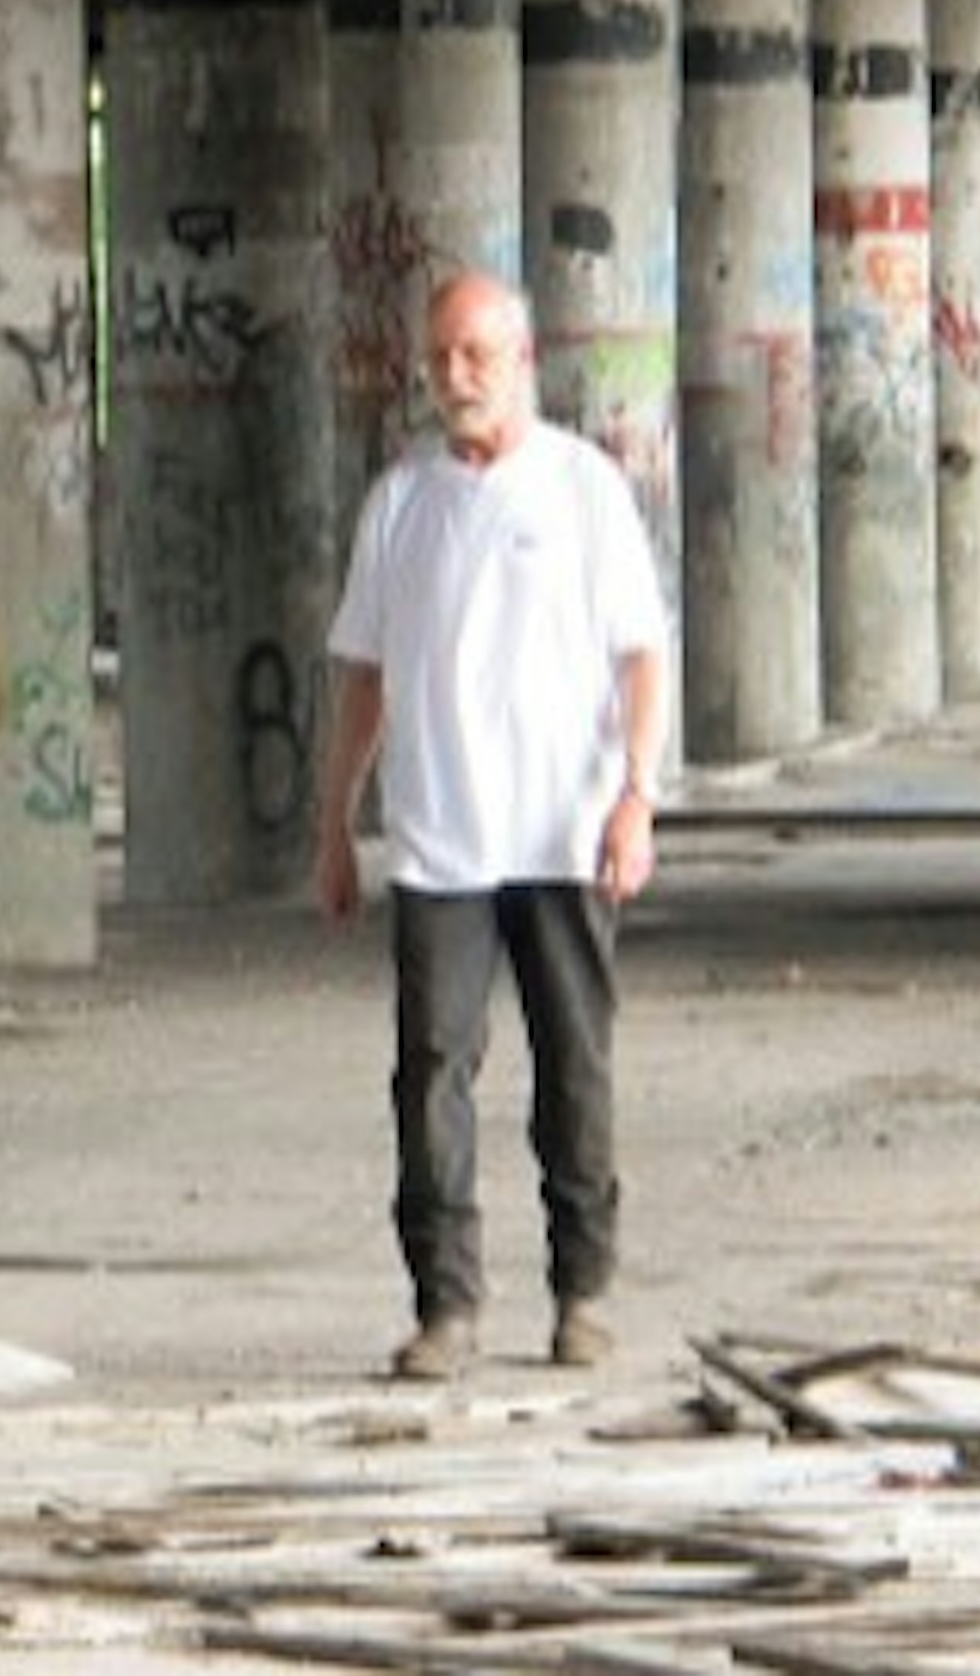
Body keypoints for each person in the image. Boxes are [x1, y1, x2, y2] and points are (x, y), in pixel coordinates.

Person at [312, 269, 666, 1384]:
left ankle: (583, 1288)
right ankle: (447, 1302)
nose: (454, 378)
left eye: (475, 356)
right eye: (441, 359)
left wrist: (636, 794)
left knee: (575, 1067)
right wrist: (336, 820)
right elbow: (363, 673)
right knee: (430, 1075)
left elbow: (641, 652)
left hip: (562, 832)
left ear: (523, 361)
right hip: (440, 840)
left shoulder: (583, 489)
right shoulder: (402, 503)